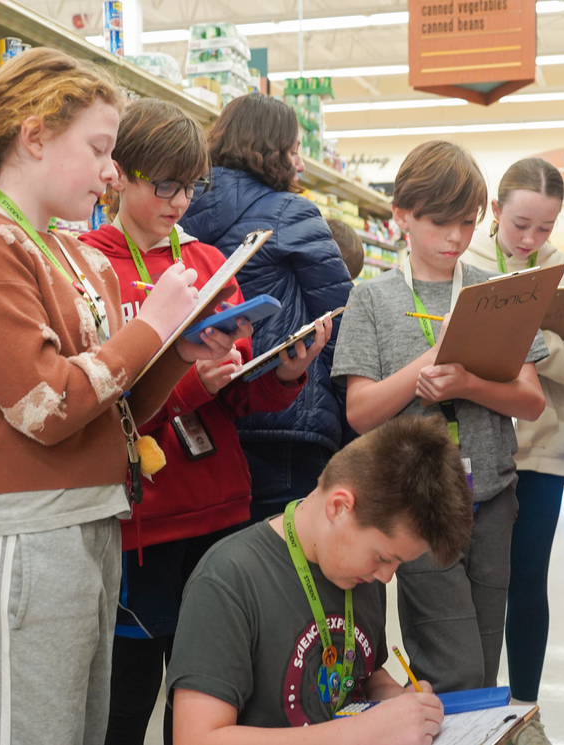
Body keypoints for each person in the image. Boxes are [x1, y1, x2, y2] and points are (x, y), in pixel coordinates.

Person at [0, 49, 245, 745]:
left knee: (82, 730)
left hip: (94, 520)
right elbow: (48, 405)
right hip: (25, 529)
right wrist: (151, 321)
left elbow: (114, 406)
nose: (110, 171)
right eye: (99, 148)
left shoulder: (74, 254)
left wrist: (174, 350)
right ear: (34, 137)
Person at [78, 98, 332, 745]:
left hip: (220, 509)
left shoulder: (209, 264)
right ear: (120, 173)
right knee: (127, 689)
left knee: (208, 690)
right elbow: (105, 405)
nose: (179, 202)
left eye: (190, 185)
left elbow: (241, 403)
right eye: (164, 184)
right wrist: (192, 380)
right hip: (141, 519)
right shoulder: (86, 265)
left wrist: (281, 373)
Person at [331, 141, 549, 693]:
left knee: (485, 651)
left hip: (493, 497)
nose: (455, 238)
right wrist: (428, 363)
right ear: (401, 215)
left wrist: (469, 382)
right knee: (452, 664)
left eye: (467, 223)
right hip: (415, 504)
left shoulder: (499, 294)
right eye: (439, 222)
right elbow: (359, 413)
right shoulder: (371, 301)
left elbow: (531, 400)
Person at [167, 415, 474, 745]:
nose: (386, 576)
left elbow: (362, 679)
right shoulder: (228, 579)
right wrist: (363, 733)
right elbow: (196, 738)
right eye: (384, 558)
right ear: (339, 507)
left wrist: (394, 699)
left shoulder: (360, 574)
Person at [464, 158, 564, 715]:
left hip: (540, 453)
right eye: (520, 224)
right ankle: (474, 707)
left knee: (527, 580)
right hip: (469, 450)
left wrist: (541, 345)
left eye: (545, 228)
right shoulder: (462, 260)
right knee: (473, 586)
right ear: (496, 211)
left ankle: (525, 709)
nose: (531, 239)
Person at [179, 93, 353, 523]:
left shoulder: (179, 209)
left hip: (204, 412)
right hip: (288, 418)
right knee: (287, 567)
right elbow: (342, 320)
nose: (301, 163)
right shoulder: (291, 213)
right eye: (295, 149)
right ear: (271, 151)